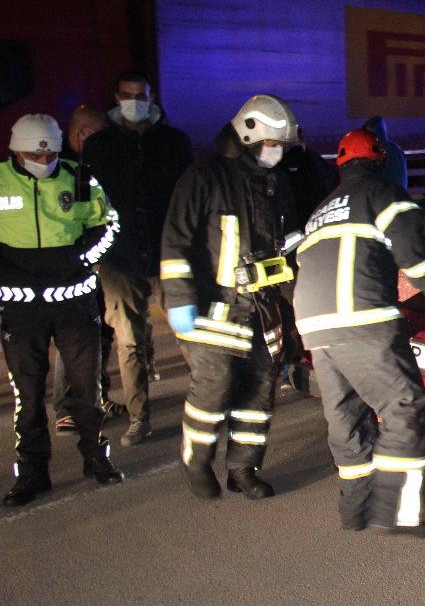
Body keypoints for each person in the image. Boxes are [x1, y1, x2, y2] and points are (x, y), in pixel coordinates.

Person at [292, 128, 425, 535]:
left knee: (347, 414)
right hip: (361, 319)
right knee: (405, 407)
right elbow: (413, 254)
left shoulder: (322, 208)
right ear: (382, 161)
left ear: (342, 166)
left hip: (314, 327)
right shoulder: (384, 193)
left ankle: (354, 510)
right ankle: (398, 513)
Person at [160, 94, 302, 500]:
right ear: (249, 136)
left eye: (282, 145)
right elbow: (175, 240)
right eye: (272, 144)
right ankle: (196, 460)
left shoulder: (275, 182)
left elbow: (290, 243)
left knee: (259, 388)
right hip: (213, 307)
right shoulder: (204, 176)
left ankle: (243, 468)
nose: (277, 152)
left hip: (262, 306)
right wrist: (180, 298)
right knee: (216, 383)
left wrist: (295, 300)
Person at [0, 114, 124, 506]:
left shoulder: (79, 178)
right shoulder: (0, 181)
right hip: (20, 307)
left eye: (50, 154)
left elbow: (109, 224)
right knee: (28, 394)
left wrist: (83, 258)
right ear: (16, 150)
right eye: (34, 155)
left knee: (87, 387)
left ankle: (96, 458)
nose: (43, 161)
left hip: (74, 303)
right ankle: (32, 472)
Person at [84, 71, 195, 447]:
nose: (135, 101)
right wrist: (97, 253)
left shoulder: (173, 142)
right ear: (116, 97)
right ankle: (139, 417)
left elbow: (190, 196)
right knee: (128, 341)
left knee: (188, 332)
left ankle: (207, 404)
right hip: (120, 258)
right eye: (128, 94)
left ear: (152, 97)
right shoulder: (99, 146)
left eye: (141, 95)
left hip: (169, 255)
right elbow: (87, 202)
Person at [52, 105, 124, 436]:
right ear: (81, 133)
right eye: (98, 132)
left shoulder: (87, 164)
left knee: (99, 334)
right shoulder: (67, 170)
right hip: (70, 270)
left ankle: (97, 397)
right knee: (73, 338)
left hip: (92, 264)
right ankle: (68, 408)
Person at [276, 126, 338, 394]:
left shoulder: (277, 169)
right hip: (316, 249)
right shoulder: (317, 164)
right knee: (315, 305)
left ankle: (291, 363)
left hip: (290, 253)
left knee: (289, 309)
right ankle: (316, 358)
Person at [362, 116, 407, 189]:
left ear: (379, 131)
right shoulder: (394, 148)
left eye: (371, 133)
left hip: (389, 192)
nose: (369, 136)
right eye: (367, 133)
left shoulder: (384, 150)